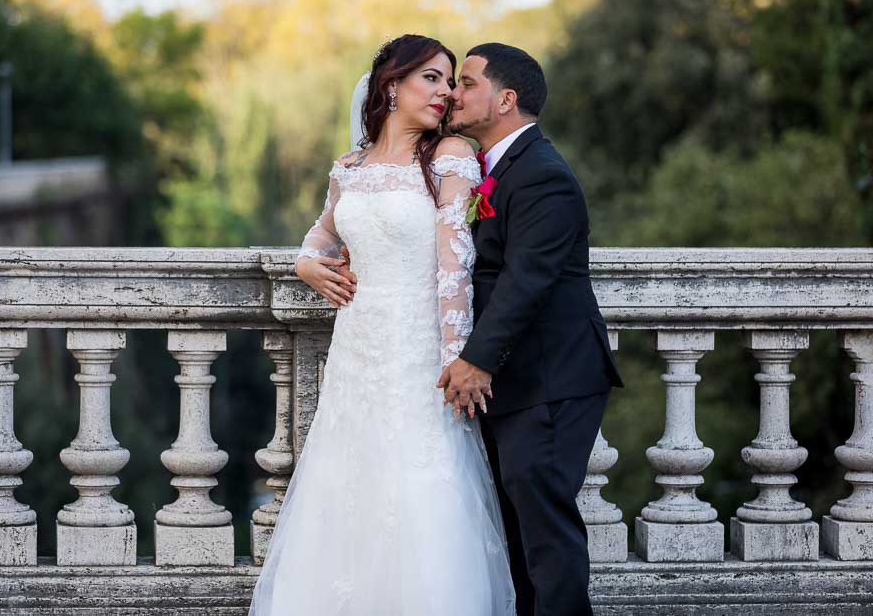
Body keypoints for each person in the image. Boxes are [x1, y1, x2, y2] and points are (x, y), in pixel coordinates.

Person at [248, 34, 516, 616]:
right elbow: (322, 234)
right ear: (392, 85)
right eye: (433, 78)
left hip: (419, 354)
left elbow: (455, 267)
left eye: (452, 81)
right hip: (357, 351)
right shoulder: (349, 168)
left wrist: (456, 358)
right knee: (348, 486)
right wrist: (305, 265)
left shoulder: (450, 158)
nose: (446, 92)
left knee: (421, 488)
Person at [438, 43, 625, 616]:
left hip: (550, 377)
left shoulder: (543, 175)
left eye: (467, 83)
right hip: (518, 381)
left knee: (546, 533)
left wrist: (475, 359)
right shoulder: (496, 169)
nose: (454, 93)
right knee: (517, 534)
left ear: (506, 99)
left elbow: (528, 281)